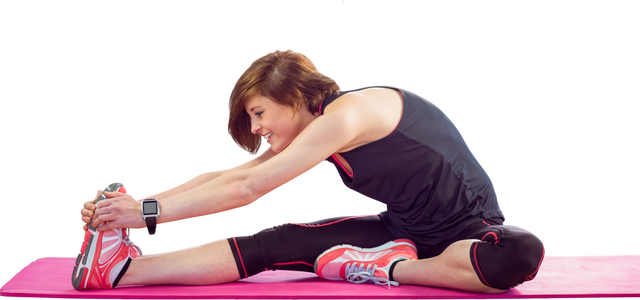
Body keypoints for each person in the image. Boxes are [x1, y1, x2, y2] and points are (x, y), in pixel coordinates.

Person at [75, 41, 547, 292]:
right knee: (280, 240)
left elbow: (252, 187)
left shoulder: (351, 114)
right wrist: (140, 206)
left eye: (259, 113)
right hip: (404, 230)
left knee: (522, 251)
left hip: (470, 234)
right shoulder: (319, 127)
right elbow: (231, 175)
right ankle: (120, 271)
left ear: (295, 97)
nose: (256, 127)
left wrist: (146, 215)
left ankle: (386, 269)